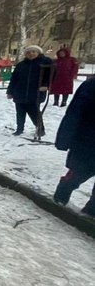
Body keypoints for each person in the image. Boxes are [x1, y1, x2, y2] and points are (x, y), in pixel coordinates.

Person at [53, 76, 95, 217]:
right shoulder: (91, 86)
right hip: (88, 141)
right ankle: (60, 197)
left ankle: (91, 212)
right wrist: (64, 138)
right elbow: (74, 113)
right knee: (78, 173)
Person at [6, 45, 53, 136]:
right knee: (20, 112)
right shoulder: (21, 65)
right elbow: (14, 79)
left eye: (33, 52)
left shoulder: (45, 62)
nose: (31, 54)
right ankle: (19, 129)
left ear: (38, 53)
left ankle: (40, 129)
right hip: (19, 92)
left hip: (35, 93)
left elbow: (52, 75)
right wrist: (10, 91)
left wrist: (46, 85)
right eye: (28, 52)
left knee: (34, 112)